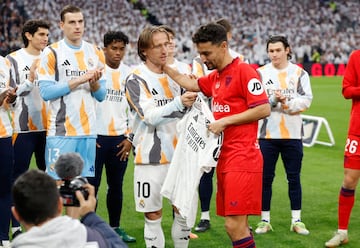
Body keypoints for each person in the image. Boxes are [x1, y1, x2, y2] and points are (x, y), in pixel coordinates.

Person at [164, 22, 270, 248]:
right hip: (224, 157)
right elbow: (191, 83)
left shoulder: (244, 72)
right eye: (200, 53)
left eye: (206, 53)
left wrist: (225, 121)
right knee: (239, 226)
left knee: (234, 226)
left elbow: (263, 108)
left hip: (242, 158)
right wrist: (165, 66)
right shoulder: (217, 77)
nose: (203, 58)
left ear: (223, 46)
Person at [125, 25, 197, 248]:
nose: (164, 50)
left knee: (182, 213)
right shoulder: (136, 79)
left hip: (181, 157)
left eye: (167, 44)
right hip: (150, 159)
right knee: (153, 214)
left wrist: (193, 91)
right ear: (145, 50)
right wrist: (179, 102)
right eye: (158, 46)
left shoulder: (180, 75)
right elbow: (149, 116)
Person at [37, 4, 106, 180]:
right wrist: (80, 80)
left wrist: (94, 83)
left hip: (88, 132)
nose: (77, 26)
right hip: (61, 131)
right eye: (72, 22)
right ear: (62, 25)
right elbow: (46, 92)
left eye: (80, 22)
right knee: (58, 185)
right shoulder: (51, 52)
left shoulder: (96, 52)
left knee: (82, 186)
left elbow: (101, 95)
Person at [254, 35, 313, 236]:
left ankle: (297, 220)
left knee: (294, 178)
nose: (274, 54)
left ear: (287, 50)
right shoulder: (260, 73)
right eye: (271, 51)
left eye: (278, 50)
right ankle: (264, 220)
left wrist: (287, 103)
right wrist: (272, 99)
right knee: (265, 179)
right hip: (266, 136)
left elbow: (306, 100)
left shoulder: (299, 73)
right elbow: (255, 102)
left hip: (293, 135)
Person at [191, 18, 245, 233]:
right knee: (206, 171)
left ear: (227, 39)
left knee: (228, 178)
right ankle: (205, 215)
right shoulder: (200, 60)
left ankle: (241, 223)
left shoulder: (241, 63)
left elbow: (257, 105)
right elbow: (197, 83)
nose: (204, 59)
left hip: (231, 132)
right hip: (208, 123)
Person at [87, 30, 135, 243]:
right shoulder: (95, 71)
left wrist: (130, 138)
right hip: (96, 138)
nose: (117, 53)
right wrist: (89, 134)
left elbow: (136, 110)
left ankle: (115, 228)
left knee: (116, 186)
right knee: (92, 187)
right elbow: (85, 104)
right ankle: (90, 230)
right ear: (104, 48)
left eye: (121, 49)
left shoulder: (130, 74)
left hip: (119, 140)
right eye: (113, 48)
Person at [7, 18, 50, 238]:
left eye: (47, 35)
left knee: (48, 180)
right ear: (29, 35)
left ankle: (44, 225)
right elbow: (10, 95)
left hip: (49, 129)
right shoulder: (13, 59)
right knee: (16, 179)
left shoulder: (51, 57)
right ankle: (14, 225)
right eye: (41, 34)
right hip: (21, 129)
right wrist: (31, 78)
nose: (45, 39)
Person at [11, 168, 127, 248]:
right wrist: (90, 215)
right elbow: (117, 244)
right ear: (60, 205)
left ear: (16, 214)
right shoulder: (92, 237)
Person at [324, 50, 360, 247]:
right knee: (349, 180)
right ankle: (342, 232)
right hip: (358, 130)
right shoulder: (356, 57)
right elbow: (347, 90)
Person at [0, 56, 17, 248]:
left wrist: (11, 98)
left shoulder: (5, 63)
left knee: (4, 189)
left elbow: (10, 105)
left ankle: (3, 237)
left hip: (3, 134)